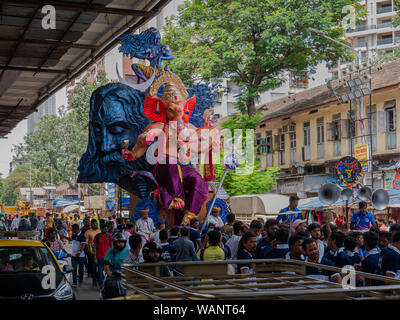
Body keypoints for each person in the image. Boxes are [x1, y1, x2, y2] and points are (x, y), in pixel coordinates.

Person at [94, 221, 113, 286]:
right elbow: (95, 248)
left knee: (108, 270)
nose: (106, 230)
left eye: (106, 229)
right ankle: (101, 283)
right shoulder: (97, 237)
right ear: (101, 229)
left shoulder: (109, 235)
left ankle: (107, 283)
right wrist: (95, 258)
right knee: (100, 271)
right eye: (105, 229)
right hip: (100, 257)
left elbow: (111, 246)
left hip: (107, 257)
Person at [85, 219, 101, 286]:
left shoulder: (100, 231)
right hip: (92, 252)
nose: (95, 225)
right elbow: (86, 243)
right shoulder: (88, 232)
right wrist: (90, 251)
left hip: (100, 252)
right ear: (91, 224)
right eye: (93, 224)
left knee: (100, 267)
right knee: (93, 267)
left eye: (96, 224)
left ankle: (99, 279)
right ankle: (94, 280)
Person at [71, 223, 86, 287]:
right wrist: (64, 237)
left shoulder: (82, 236)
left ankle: (80, 280)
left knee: (81, 269)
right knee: (74, 269)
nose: (71, 230)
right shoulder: (73, 235)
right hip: (73, 255)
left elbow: (83, 245)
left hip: (81, 256)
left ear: (75, 229)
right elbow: (71, 240)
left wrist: (79, 252)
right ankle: (74, 282)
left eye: (72, 229)